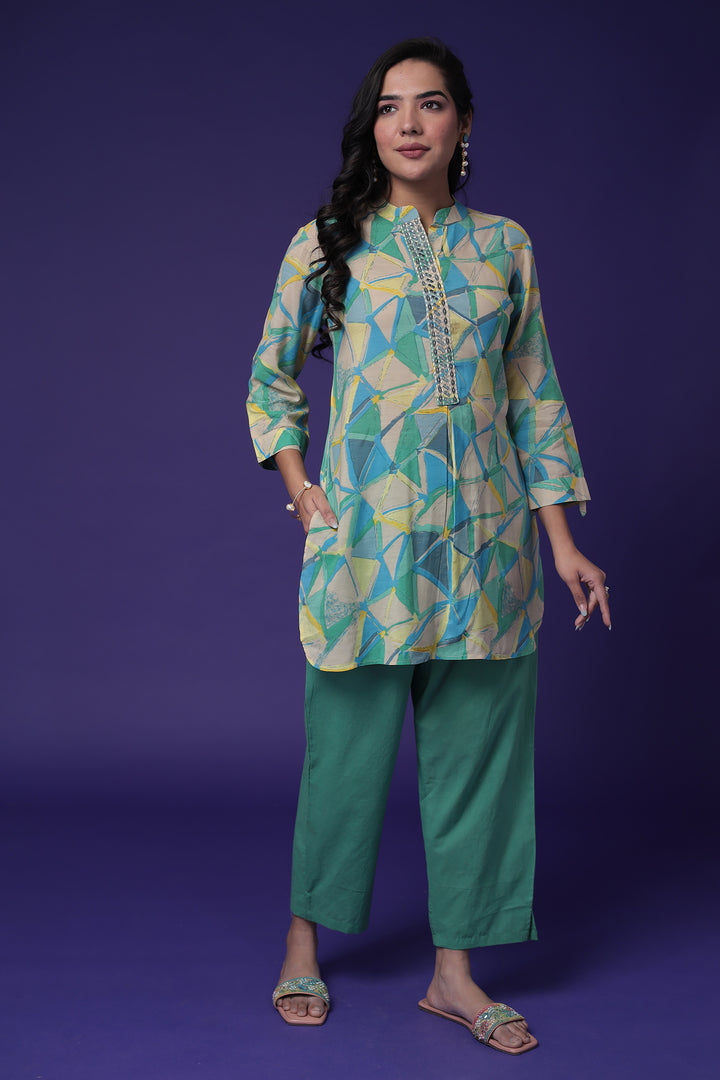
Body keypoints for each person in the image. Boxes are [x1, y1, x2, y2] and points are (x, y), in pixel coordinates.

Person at [246, 36, 609, 1055]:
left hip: (490, 550)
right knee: (344, 759)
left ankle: (455, 974)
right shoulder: (328, 244)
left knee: (480, 763)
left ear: (463, 123)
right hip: (369, 551)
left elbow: (534, 396)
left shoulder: (505, 248)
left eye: (431, 103)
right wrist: (305, 493)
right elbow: (270, 378)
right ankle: (304, 942)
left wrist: (562, 543)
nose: (408, 123)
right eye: (390, 106)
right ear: (372, 127)